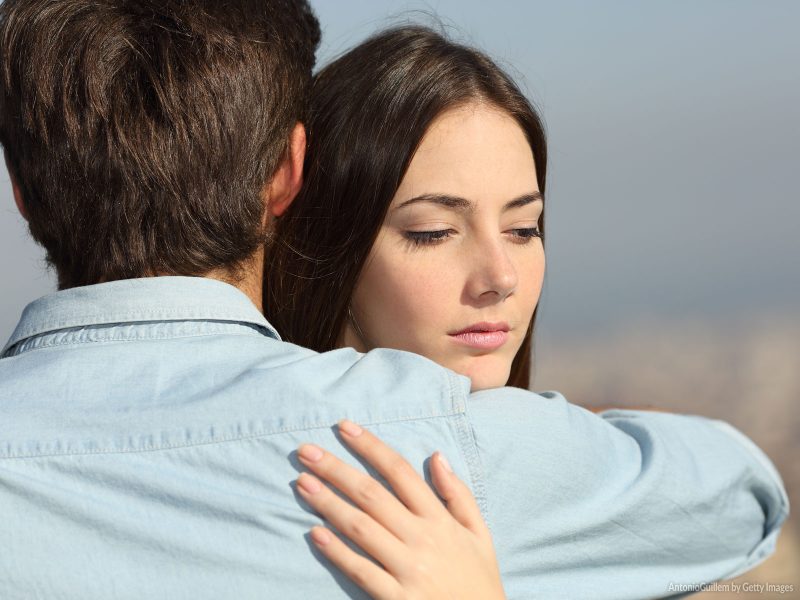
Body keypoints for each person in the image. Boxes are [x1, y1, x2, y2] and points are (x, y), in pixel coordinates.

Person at [0, 2, 787, 599]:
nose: (500, 277)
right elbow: (739, 492)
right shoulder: (417, 458)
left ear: (24, 194)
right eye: (432, 231)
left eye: (526, 226)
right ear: (289, 174)